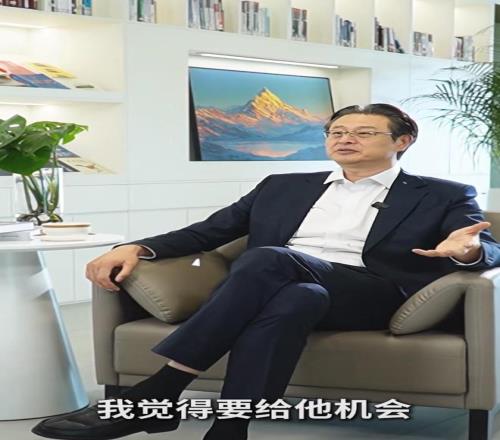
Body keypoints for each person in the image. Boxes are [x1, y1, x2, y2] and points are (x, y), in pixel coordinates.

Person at [33, 103, 500, 440]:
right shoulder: (282, 185)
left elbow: (484, 246)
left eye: (364, 132)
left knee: (268, 257)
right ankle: (230, 428)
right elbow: (210, 232)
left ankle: (160, 391)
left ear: (402, 141)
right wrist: (136, 246)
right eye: (337, 131)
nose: (346, 138)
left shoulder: (443, 193)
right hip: (295, 288)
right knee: (297, 296)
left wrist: (467, 251)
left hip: (372, 294)